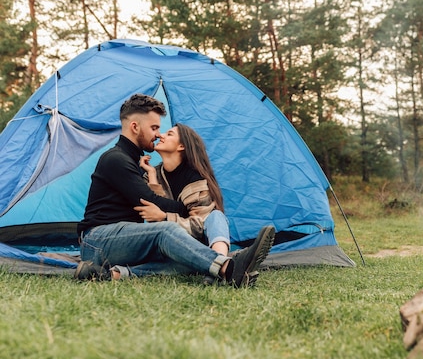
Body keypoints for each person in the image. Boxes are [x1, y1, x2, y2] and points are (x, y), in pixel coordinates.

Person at [74, 93, 275, 287]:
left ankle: (113, 275)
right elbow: (150, 201)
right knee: (165, 231)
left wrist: (154, 182)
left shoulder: (135, 161)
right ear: (135, 127)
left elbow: (152, 201)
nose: (157, 134)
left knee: (184, 256)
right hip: (98, 241)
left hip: (123, 241)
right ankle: (228, 268)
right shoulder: (116, 159)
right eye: (154, 128)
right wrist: (187, 210)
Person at [136, 123, 230, 258]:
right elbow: (155, 222)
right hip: (171, 245)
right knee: (165, 261)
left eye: (169, 134)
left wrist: (164, 217)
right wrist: (151, 176)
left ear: (181, 146)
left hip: (197, 243)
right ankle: (218, 267)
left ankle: (220, 260)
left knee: (216, 216)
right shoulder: (153, 175)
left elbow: (199, 226)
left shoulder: (195, 179)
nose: (160, 135)